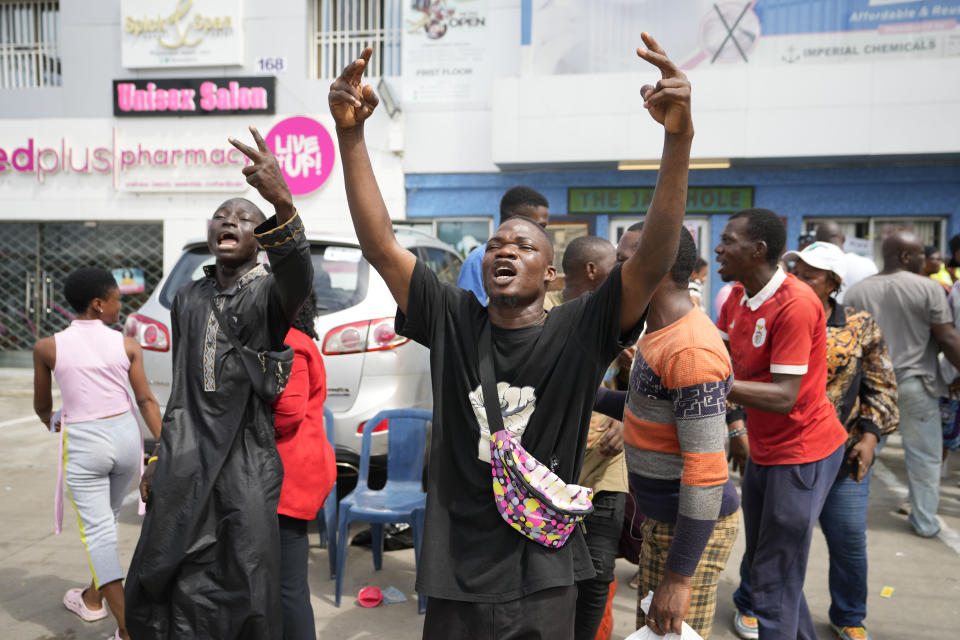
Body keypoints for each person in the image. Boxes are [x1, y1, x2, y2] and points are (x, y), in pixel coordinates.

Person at [328, 34, 693, 639]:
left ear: (551, 274)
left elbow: (651, 259)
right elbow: (381, 244)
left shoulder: (579, 330)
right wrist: (351, 135)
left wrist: (677, 140)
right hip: (455, 572)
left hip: (542, 571)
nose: (507, 251)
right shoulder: (451, 317)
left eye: (525, 246)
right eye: (497, 244)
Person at [124, 127, 313, 640]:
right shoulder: (188, 296)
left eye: (244, 217)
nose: (230, 220)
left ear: (260, 238)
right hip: (186, 457)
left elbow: (298, 275)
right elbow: (182, 388)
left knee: (246, 578)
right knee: (170, 572)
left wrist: (281, 201)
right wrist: (160, 455)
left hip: (246, 461)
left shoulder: (269, 295)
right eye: (222, 215)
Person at [734, 241, 899, 640]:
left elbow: (881, 384)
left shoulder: (858, 324)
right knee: (773, 546)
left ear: (833, 283)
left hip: (839, 449)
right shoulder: (771, 309)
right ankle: (752, 603)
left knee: (844, 541)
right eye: (798, 269)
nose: (801, 278)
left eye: (812, 274)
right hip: (780, 447)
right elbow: (744, 371)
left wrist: (871, 437)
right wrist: (738, 427)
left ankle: (848, 616)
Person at [599, 228, 740, 639]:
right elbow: (645, 411)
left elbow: (706, 472)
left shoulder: (690, 351)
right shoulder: (657, 332)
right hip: (664, 521)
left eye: (623, 261)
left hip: (692, 527)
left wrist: (679, 580)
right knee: (651, 629)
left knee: (666, 630)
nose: (613, 271)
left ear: (654, 267)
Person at [715, 208, 848, 639]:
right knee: (770, 563)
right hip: (766, 449)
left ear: (757, 250)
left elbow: (784, 396)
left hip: (803, 451)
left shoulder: (795, 304)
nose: (718, 248)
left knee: (772, 574)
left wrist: (711, 385)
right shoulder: (737, 297)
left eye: (729, 241)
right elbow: (722, 359)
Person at [33, 267, 163, 640]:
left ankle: (127, 631)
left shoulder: (48, 347)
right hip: (126, 441)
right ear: (98, 304)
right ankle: (92, 599)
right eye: (116, 298)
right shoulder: (126, 345)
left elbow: (43, 407)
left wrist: (55, 420)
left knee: (99, 536)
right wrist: (164, 447)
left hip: (86, 445)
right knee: (104, 524)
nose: (120, 304)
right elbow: (145, 400)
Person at [845, 230, 960, 538]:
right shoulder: (928, 289)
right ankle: (925, 523)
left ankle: (847, 518)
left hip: (871, 389)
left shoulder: (856, 292)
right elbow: (947, 338)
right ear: (906, 256)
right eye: (921, 254)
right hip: (915, 385)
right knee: (924, 457)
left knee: (862, 452)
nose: (927, 259)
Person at [543, 235, 628, 640]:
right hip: (553, 473)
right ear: (594, 270)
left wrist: (626, 423)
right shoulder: (542, 313)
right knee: (551, 576)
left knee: (598, 574)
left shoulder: (623, 318)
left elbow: (642, 387)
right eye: (617, 263)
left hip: (606, 469)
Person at [272, 291, 335, 640]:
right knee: (285, 584)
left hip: (290, 476)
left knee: (287, 586)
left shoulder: (289, 344)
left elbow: (287, 413)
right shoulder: (297, 339)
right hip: (297, 470)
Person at [457, 186, 550, 305]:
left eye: (544, 227)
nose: (542, 233)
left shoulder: (535, 258)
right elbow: (467, 313)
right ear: (514, 220)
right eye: (539, 226)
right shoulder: (480, 258)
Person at [814, 221, 877, 302]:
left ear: (817, 242)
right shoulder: (868, 264)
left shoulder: (814, 267)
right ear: (844, 239)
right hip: (861, 314)